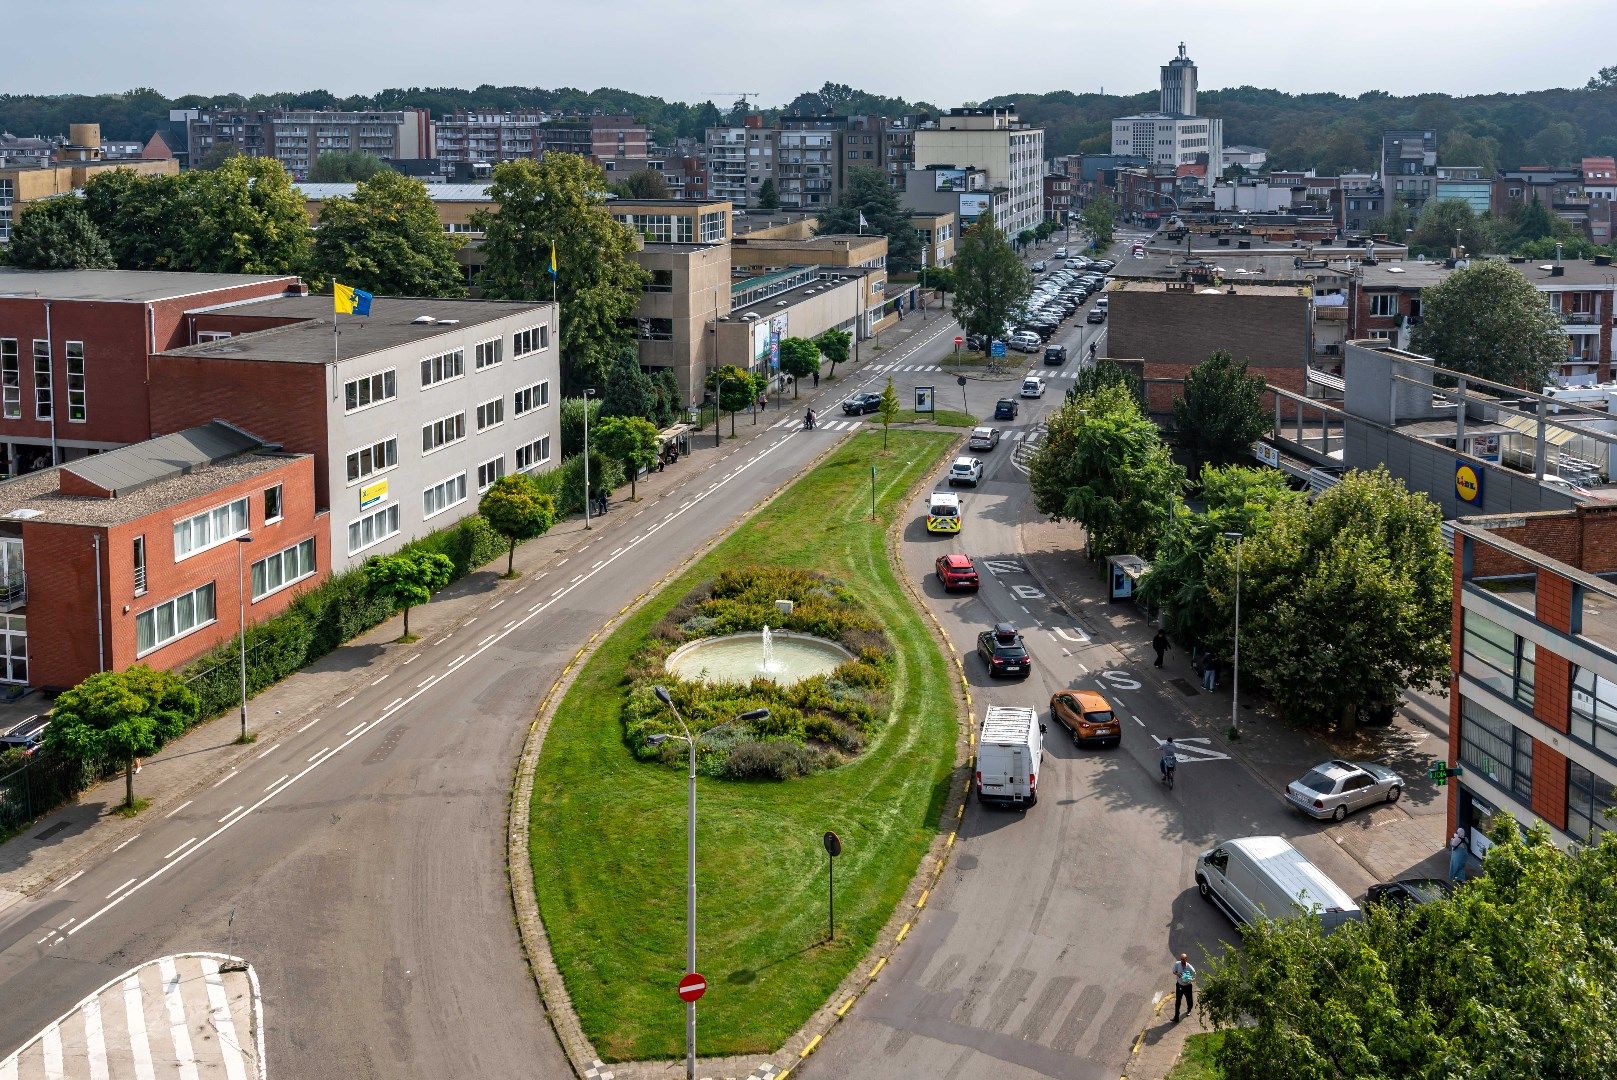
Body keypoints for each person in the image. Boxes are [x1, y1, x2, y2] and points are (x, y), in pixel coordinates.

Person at [1172, 953, 1196, 1022]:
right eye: (1181, 959)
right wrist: (1178, 974)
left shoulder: (1190, 967)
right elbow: (1174, 971)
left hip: (1187, 986)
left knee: (1189, 1000)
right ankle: (1176, 1016)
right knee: (1177, 1001)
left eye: (1184, 959)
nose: (1182, 961)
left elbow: (1194, 975)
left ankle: (1189, 1010)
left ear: (1186, 959)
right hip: (1179, 985)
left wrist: (1190, 979)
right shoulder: (1177, 964)